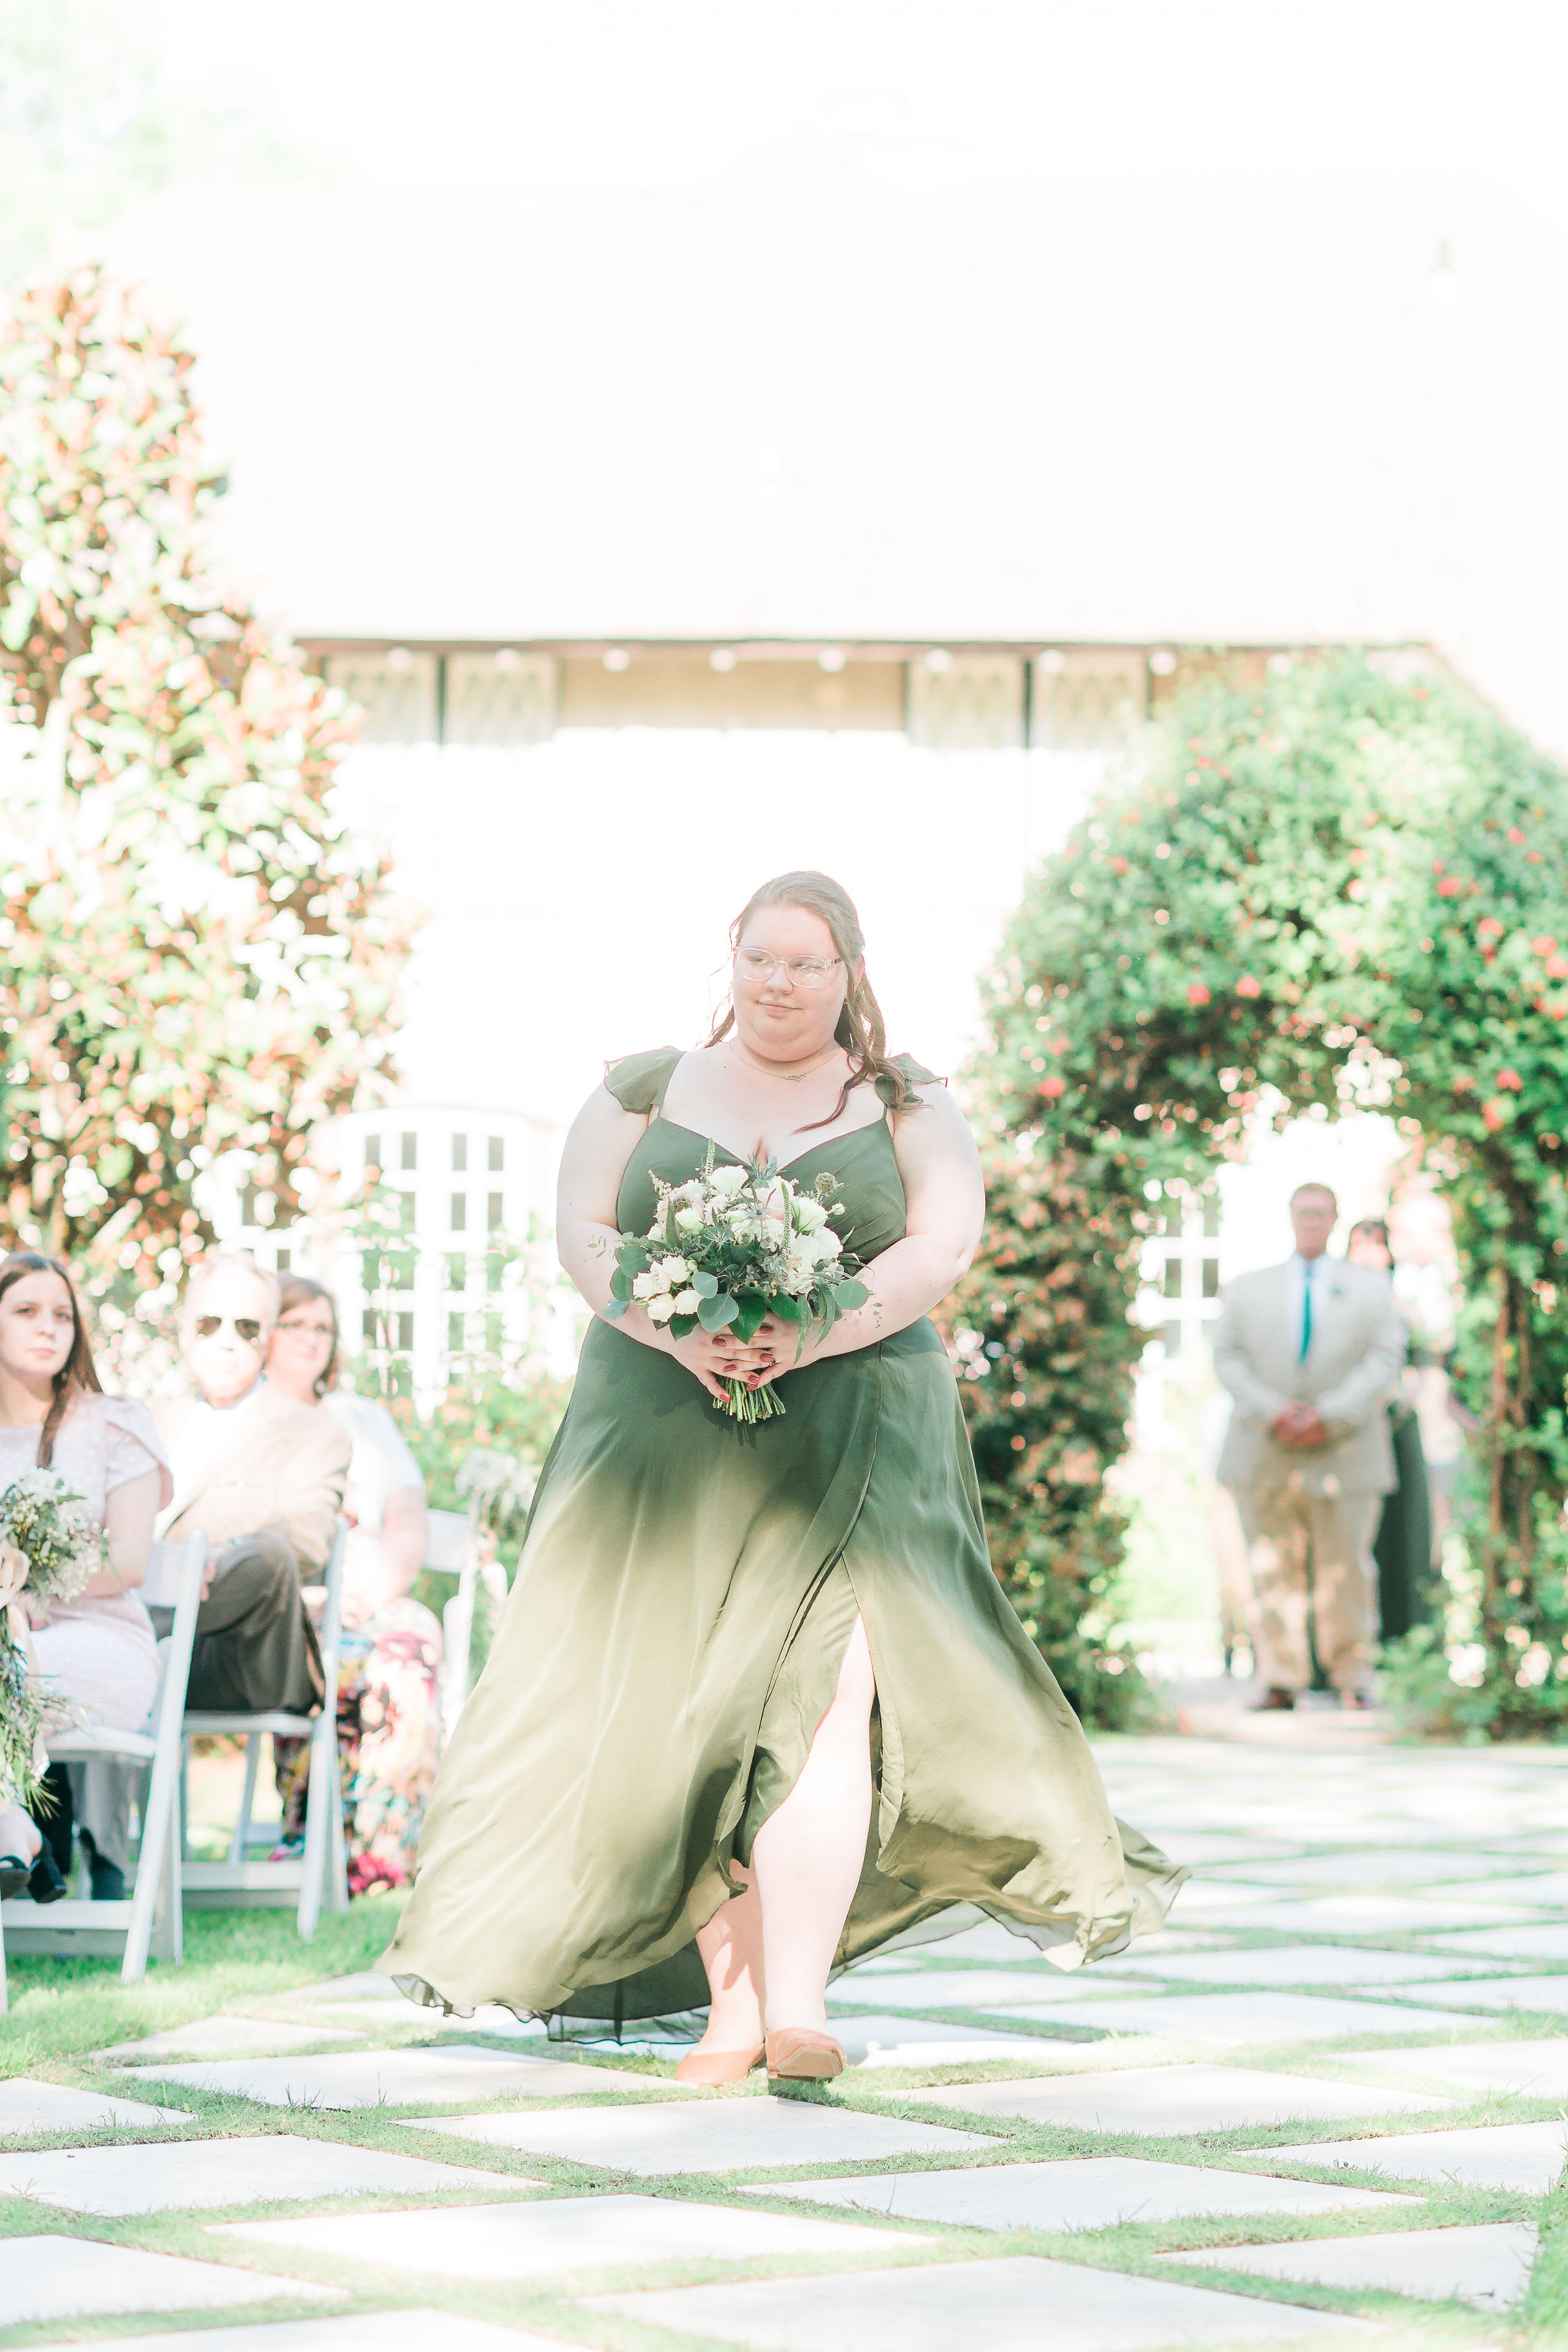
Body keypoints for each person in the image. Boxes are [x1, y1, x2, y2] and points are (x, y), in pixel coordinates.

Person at [382, 869, 1183, 2084]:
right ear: (733, 958)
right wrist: (676, 1330)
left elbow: (941, 1243)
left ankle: (799, 2006)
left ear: (847, 973)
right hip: (664, 1428)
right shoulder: (642, 1089)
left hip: (857, 1424)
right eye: (762, 957)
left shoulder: (907, 1101)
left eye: (808, 963)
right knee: (691, 1700)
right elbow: (583, 1232)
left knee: (823, 1700)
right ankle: (733, 2009)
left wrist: (814, 1332)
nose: (781, 982)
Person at [0, 1252, 169, 1903]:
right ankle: (16, 1828)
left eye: (62, 1315)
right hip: (11, 1640)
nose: (48, 1327)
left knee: (9, 1666)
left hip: (103, 1644)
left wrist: (29, 1587)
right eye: (26, 1311)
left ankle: (18, 1831)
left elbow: (129, 1560)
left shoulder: (114, 1423)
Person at [263, 1275, 440, 1895]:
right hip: (287, 1602)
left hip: (370, 1596)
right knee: (319, 1656)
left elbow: (408, 1524)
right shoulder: (249, 1421)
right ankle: (309, 1834)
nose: (311, 1340)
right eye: (295, 1325)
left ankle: (384, 1853)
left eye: (323, 1328)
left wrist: (376, 1594)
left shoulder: (362, 1419)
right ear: (266, 1331)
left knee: (408, 1648)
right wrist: (311, 1600)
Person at [1213, 1183, 1407, 1712]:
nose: (1312, 1221)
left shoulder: (1370, 1290)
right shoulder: (1249, 1288)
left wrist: (1330, 1416)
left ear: (1335, 1218)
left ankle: (1353, 1676)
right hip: (1265, 1449)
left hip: (1346, 1452)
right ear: (1291, 1216)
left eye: (1321, 1213)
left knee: (1348, 1569)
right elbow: (1226, 1357)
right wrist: (1274, 1411)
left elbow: (1385, 1359)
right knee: (1271, 1568)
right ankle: (1280, 1678)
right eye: (1304, 1212)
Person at [152, 1254, 350, 1723]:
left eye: (246, 1328)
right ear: (185, 1332)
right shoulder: (147, 1421)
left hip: (230, 1651)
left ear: (268, 1340)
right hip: (128, 1626)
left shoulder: (314, 1433)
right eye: (209, 1324)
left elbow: (307, 1536)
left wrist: (226, 1554)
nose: (226, 1342)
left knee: (268, 1556)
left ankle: (133, 1636)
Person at [1346, 1217, 1435, 1643]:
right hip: (1350, 1431)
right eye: (1360, 1245)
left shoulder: (1403, 1305)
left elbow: (1425, 1357)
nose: (1369, 1255)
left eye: (1377, 1245)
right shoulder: (1339, 1305)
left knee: (1404, 1535)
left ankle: (1404, 1639)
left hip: (1397, 1429)